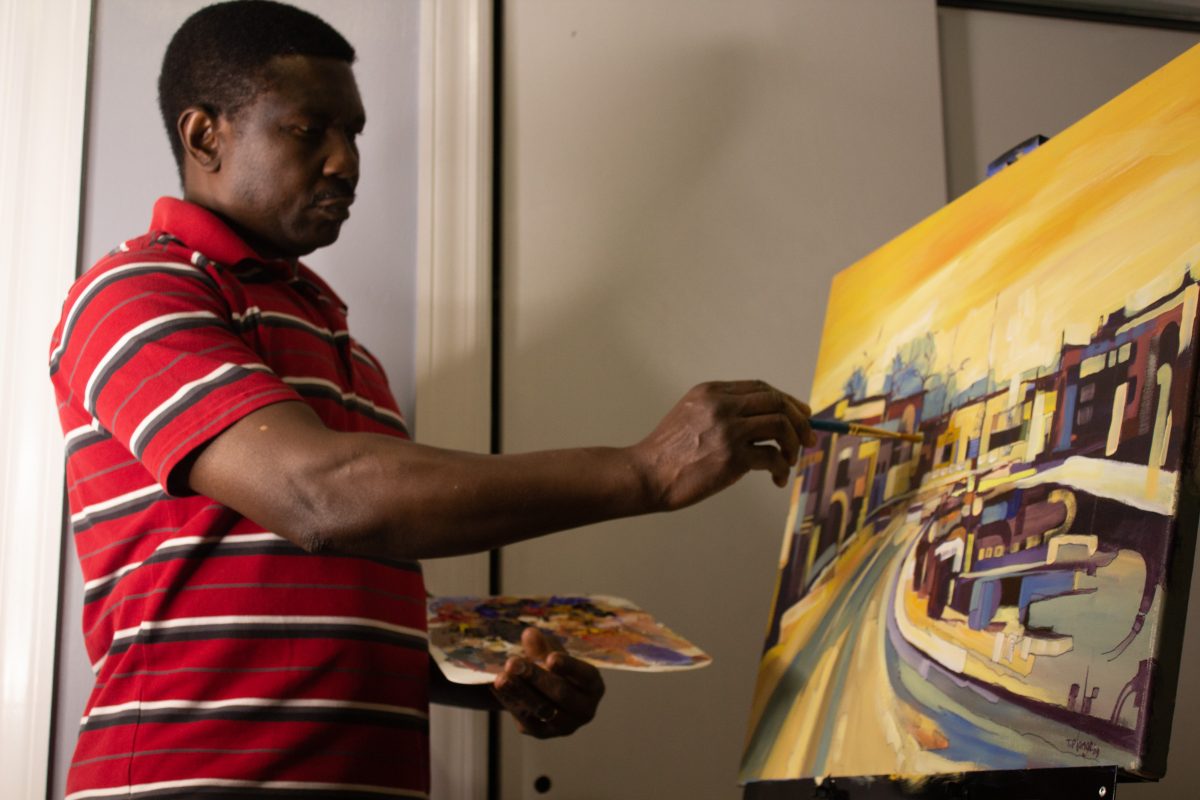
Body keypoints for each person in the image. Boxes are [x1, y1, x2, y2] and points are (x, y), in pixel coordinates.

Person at [49, 1, 815, 797]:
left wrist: (498, 674)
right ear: (206, 134)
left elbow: (333, 605)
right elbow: (322, 496)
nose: (346, 162)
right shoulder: (134, 294)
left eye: (355, 133)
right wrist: (644, 472)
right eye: (310, 130)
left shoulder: (350, 350)